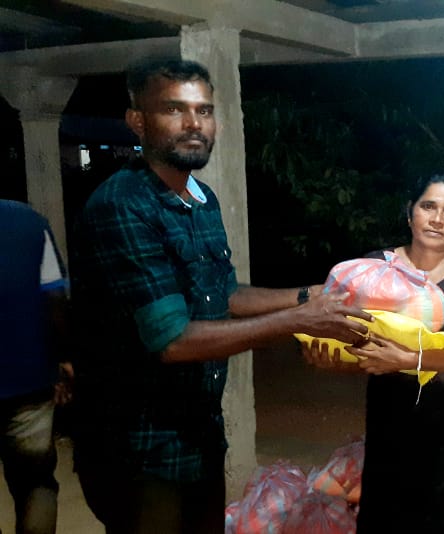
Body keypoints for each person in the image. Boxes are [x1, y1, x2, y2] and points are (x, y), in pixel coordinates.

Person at [69, 58, 373, 534]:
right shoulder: (122, 205)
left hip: (199, 436)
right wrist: (301, 320)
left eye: (204, 111)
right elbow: (172, 340)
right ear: (137, 121)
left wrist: (307, 295)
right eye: (174, 109)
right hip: (139, 446)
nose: (194, 124)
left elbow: (224, 295)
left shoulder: (201, 199)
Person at [304, 175, 444, 533]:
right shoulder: (375, 269)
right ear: (410, 213)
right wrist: (335, 360)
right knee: (395, 515)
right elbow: (359, 340)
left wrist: (410, 360)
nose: (437, 219)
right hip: (395, 423)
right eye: (428, 206)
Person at [0, 200, 70, 534]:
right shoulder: (30, 222)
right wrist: (63, 360)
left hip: (30, 379)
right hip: (30, 383)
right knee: (36, 483)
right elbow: (55, 299)